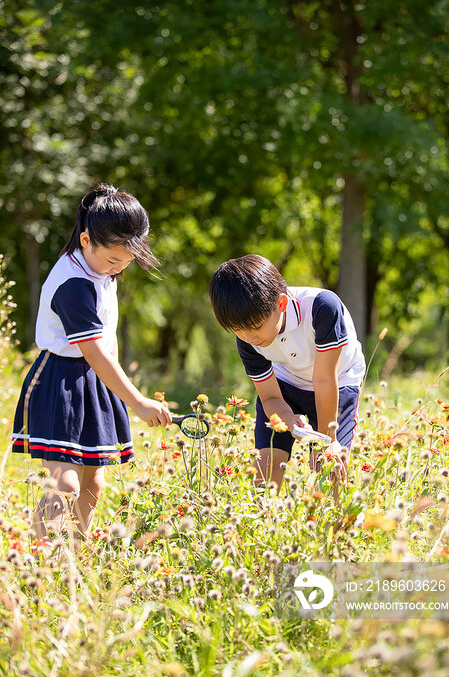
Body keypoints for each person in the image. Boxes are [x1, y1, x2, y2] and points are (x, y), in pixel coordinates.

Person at [11, 184, 172, 545]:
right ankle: (41, 565)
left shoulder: (101, 267)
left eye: (127, 260)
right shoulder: (73, 285)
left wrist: (118, 387)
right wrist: (139, 402)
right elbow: (93, 351)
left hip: (95, 379)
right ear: (86, 239)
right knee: (64, 483)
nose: (120, 267)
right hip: (60, 381)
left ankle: (75, 556)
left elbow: (104, 347)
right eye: (114, 260)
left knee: (94, 481)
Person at [209, 254, 365, 494]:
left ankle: (337, 530)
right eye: (238, 330)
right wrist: (289, 421)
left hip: (337, 383)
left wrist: (327, 442)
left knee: (330, 468)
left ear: (281, 304)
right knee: (266, 468)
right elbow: (270, 398)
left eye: (255, 328)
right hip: (286, 383)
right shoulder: (248, 340)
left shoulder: (322, 307)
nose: (249, 338)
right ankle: (262, 526)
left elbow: (324, 380)